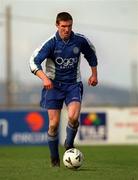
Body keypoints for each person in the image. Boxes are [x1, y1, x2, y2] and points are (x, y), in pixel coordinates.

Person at [29, 12, 98, 167]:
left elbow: (91, 54)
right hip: (53, 86)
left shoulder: (80, 40)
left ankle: (68, 144)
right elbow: (33, 62)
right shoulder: (51, 43)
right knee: (53, 125)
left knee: (73, 118)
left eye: (69, 26)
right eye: (63, 26)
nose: (67, 29)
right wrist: (44, 78)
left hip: (73, 85)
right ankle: (54, 159)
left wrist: (94, 74)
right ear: (57, 25)